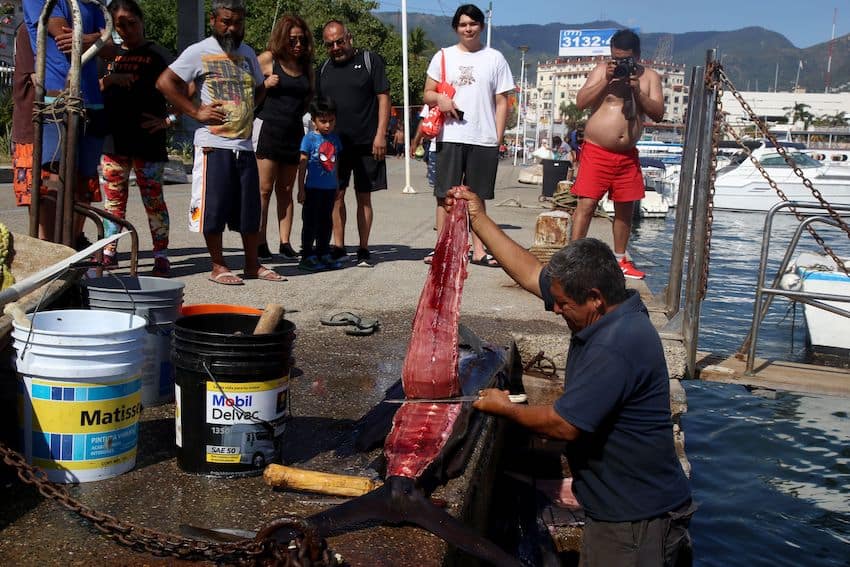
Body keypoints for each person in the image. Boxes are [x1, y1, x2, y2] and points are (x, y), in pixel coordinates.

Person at [448, 186, 695, 567]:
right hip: (617, 506)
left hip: (634, 525)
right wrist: (477, 218)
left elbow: (563, 425)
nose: (553, 309)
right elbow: (531, 273)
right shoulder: (612, 308)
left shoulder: (618, 344)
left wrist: (504, 408)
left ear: (595, 296)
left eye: (562, 303)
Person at [156, 0, 285, 285]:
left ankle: (253, 264)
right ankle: (218, 266)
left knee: (250, 210)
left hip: (243, 144)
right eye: (226, 21)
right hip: (213, 145)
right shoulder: (199, 51)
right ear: (213, 20)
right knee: (212, 211)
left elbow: (258, 90)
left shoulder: (249, 53)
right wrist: (195, 112)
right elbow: (165, 82)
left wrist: (249, 110)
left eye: (237, 22)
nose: (232, 28)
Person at [422, 4, 514, 268]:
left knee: (478, 196)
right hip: (449, 135)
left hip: (482, 137)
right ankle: (443, 249)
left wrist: (496, 138)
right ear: (456, 28)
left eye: (473, 24)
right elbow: (427, 93)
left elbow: (502, 102)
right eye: (463, 24)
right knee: (445, 195)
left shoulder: (495, 58)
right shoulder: (443, 56)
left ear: (481, 27)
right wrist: (440, 98)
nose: (468, 29)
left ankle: (479, 251)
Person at [570, 29, 663, 280]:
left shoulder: (650, 77)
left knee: (625, 208)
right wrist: (606, 81)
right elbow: (581, 102)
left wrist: (637, 91)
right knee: (586, 204)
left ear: (638, 55)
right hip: (597, 150)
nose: (621, 63)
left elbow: (658, 113)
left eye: (626, 59)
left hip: (627, 154)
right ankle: (572, 259)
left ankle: (621, 259)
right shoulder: (602, 70)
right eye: (616, 58)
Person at [23, 0, 113, 247]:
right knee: (56, 176)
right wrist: (99, 38)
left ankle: (71, 248)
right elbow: (64, 37)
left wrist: (94, 38)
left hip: (92, 101)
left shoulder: (91, 3)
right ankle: (52, 248)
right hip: (58, 98)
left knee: (84, 181)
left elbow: (110, 47)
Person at [99, 0, 172, 276]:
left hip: (148, 141)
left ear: (141, 20)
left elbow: (186, 89)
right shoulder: (107, 54)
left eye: (132, 22)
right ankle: (109, 251)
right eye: (120, 25)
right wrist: (111, 80)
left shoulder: (159, 54)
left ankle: (161, 255)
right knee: (113, 201)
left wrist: (168, 119)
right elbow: (92, 90)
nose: (128, 29)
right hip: (114, 140)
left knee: (153, 200)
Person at [316, 20, 390, 268]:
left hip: (367, 143)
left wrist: (381, 134)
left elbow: (383, 98)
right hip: (335, 145)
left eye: (340, 41)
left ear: (349, 38)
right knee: (336, 196)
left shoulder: (370, 61)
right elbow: (319, 109)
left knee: (364, 197)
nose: (336, 47)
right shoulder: (324, 68)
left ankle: (363, 248)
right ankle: (338, 246)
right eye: (330, 44)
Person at [254, 14, 314, 261]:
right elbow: (245, 86)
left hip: (293, 132)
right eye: (292, 40)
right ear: (282, 39)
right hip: (269, 130)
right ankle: (259, 242)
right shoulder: (269, 59)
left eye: (301, 39)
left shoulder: (306, 67)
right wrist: (265, 84)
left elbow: (309, 99)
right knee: (264, 190)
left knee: (286, 190)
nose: (297, 45)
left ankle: (285, 242)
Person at [296, 98, 343, 272]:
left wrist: (337, 184)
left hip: (329, 188)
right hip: (312, 188)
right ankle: (307, 255)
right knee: (310, 222)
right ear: (314, 120)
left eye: (331, 121)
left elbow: (335, 162)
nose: (327, 125)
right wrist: (301, 189)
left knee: (326, 221)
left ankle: (323, 252)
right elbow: (302, 165)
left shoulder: (335, 139)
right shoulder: (309, 139)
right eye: (323, 121)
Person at [10, 24, 42, 233]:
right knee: (36, 195)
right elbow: (38, 79)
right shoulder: (29, 30)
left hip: (56, 123)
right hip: (30, 126)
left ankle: (67, 242)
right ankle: (43, 243)